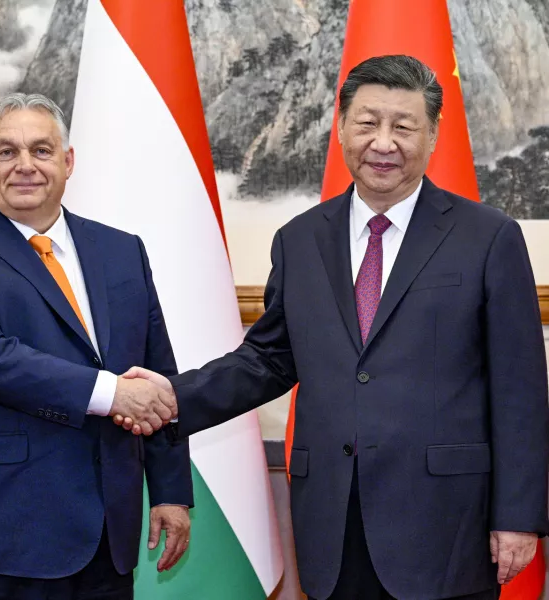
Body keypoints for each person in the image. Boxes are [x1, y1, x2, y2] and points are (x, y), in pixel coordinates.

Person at [116, 56, 549, 600]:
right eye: (368, 123)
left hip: (447, 525)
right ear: (341, 128)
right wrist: (170, 396)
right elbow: (268, 360)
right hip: (332, 522)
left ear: (433, 135)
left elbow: (521, 391)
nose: (384, 142)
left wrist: (518, 516)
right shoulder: (300, 240)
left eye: (404, 126)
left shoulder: (488, 237)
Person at [0, 93, 193, 600]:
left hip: (110, 535)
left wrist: (170, 492)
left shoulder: (123, 250)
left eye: (41, 150)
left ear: (67, 161)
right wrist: (111, 394)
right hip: (3, 537)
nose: (25, 166)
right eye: (7, 151)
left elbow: (156, 375)